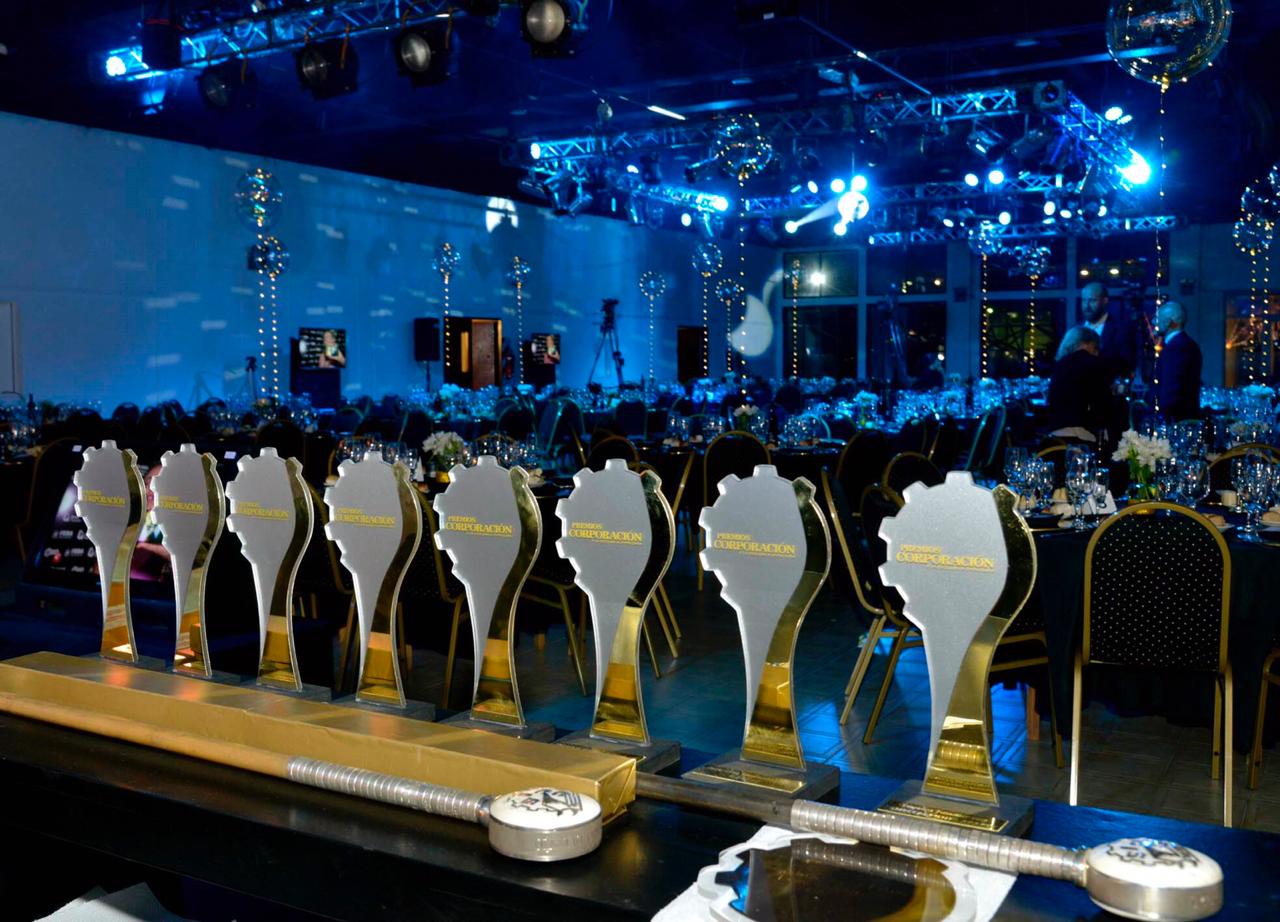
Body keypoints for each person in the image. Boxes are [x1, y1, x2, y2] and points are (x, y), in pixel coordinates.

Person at [1047, 326, 1112, 442]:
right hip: (1082, 434)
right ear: (1087, 343)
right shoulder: (1094, 364)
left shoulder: (1059, 365)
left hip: (1055, 434)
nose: (1097, 353)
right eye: (1096, 348)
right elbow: (1102, 404)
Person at [1153, 301, 1202, 422]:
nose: (1154, 322)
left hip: (1175, 420)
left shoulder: (1178, 347)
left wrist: (1161, 417)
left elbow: (1171, 389)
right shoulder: (1182, 344)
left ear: (1171, 321)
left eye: (1158, 318)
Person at [1080, 282, 1141, 378]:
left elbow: (1127, 365)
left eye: (1092, 300)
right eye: (1084, 300)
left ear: (1105, 301)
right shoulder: (1075, 329)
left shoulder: (1122, 330)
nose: (1087, 306)